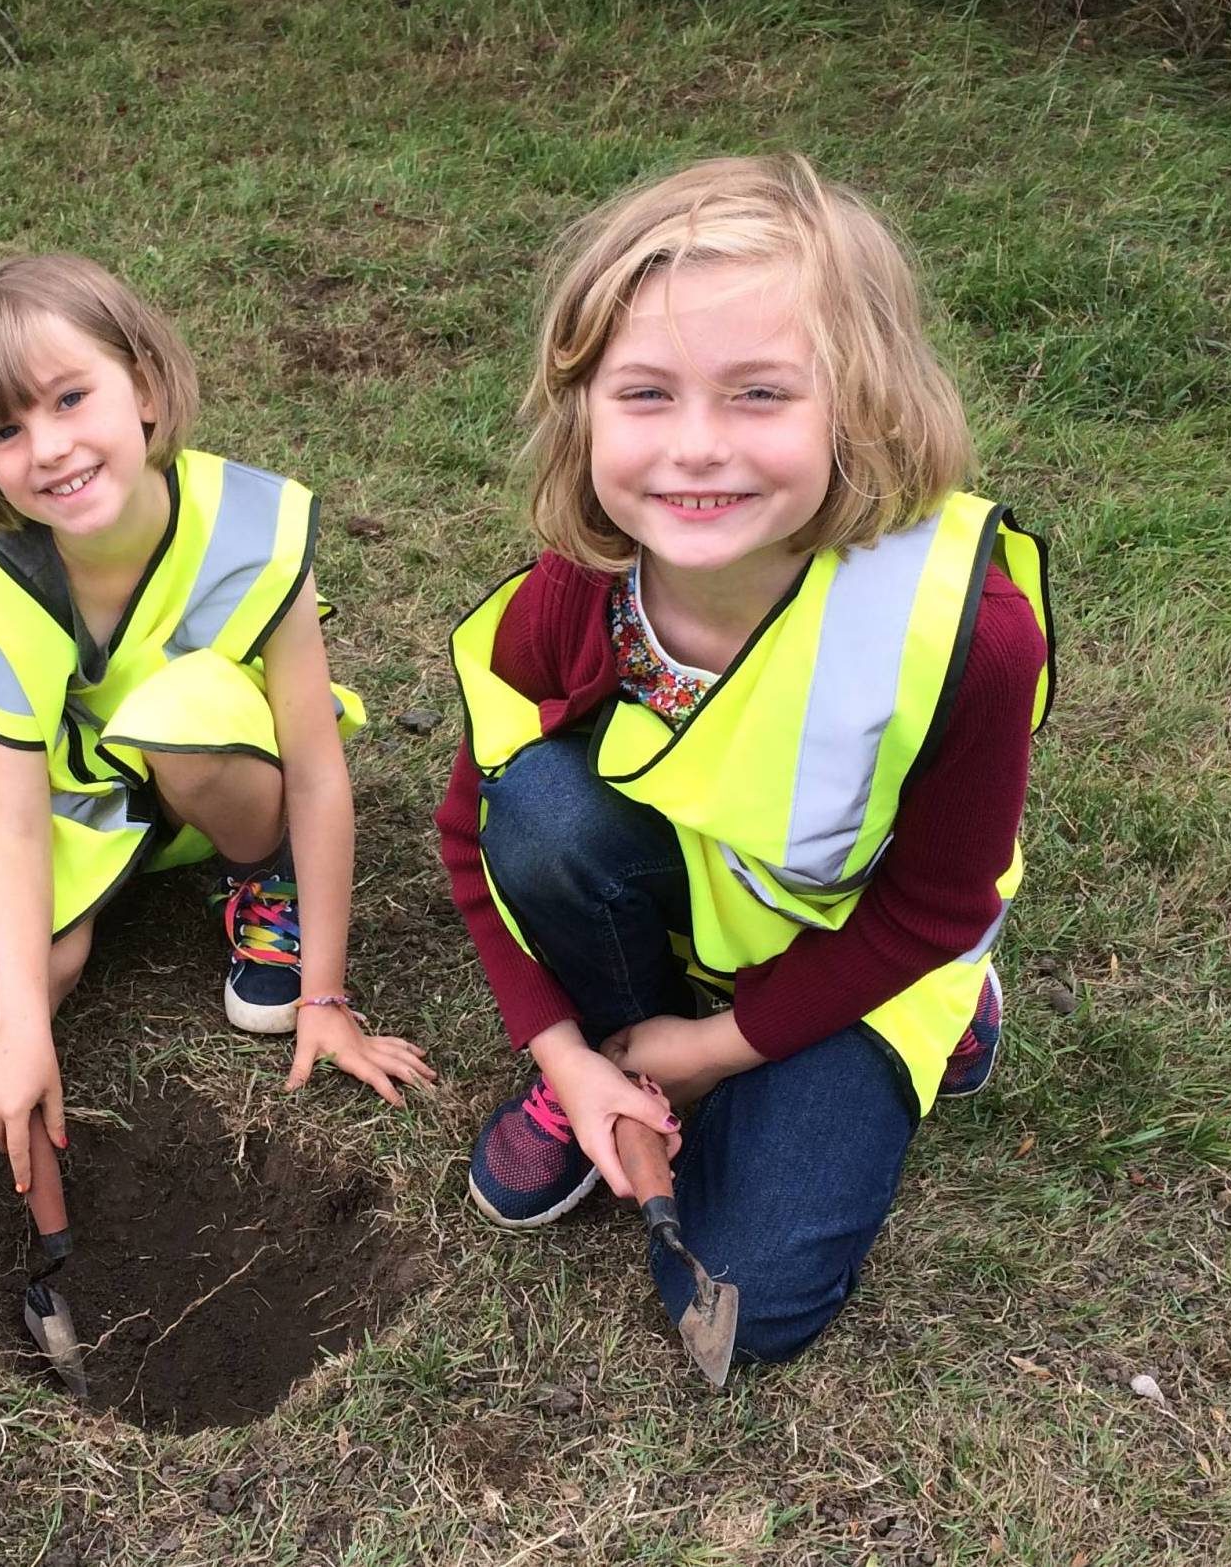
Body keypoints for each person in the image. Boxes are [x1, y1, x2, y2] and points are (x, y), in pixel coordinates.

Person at [438, 155, 1053, 1366]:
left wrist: (716, 1050)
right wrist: (570, 1051)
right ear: (583, 411)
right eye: (646, 394)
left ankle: (916, 1034)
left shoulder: (972, 641)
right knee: (544, 814)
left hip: (871, 946)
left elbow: (933, 907)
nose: (697, 448)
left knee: (749, 1306)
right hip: (692, 911)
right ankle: (622, 1074)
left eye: (760, 394)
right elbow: (473, 831)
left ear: (862, 408)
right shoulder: (580, 588)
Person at [0, 254, 435, 1251]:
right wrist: (24, 1028)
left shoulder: (248, 529)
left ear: (145, 389)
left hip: (224, 780)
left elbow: (318, 769)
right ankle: (104, 915)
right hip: (84, 810)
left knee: (180, 709)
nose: (51, 448)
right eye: (6, 430)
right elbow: (18, 824)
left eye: (72, 398)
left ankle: (260, 885)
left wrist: (326, 995)